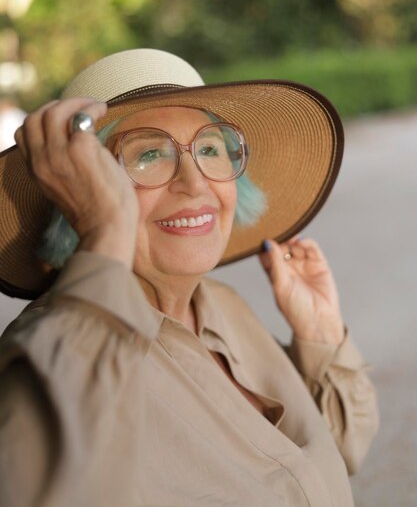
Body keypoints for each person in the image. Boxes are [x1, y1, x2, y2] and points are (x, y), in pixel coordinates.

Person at [0, 49, 378, 507]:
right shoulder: (53, 349)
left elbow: (335, 459)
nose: (195, 183)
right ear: (81, 194)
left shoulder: (224, 306)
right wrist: (106, 233)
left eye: (209, 149)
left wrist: (319, 333)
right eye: (148, 155)